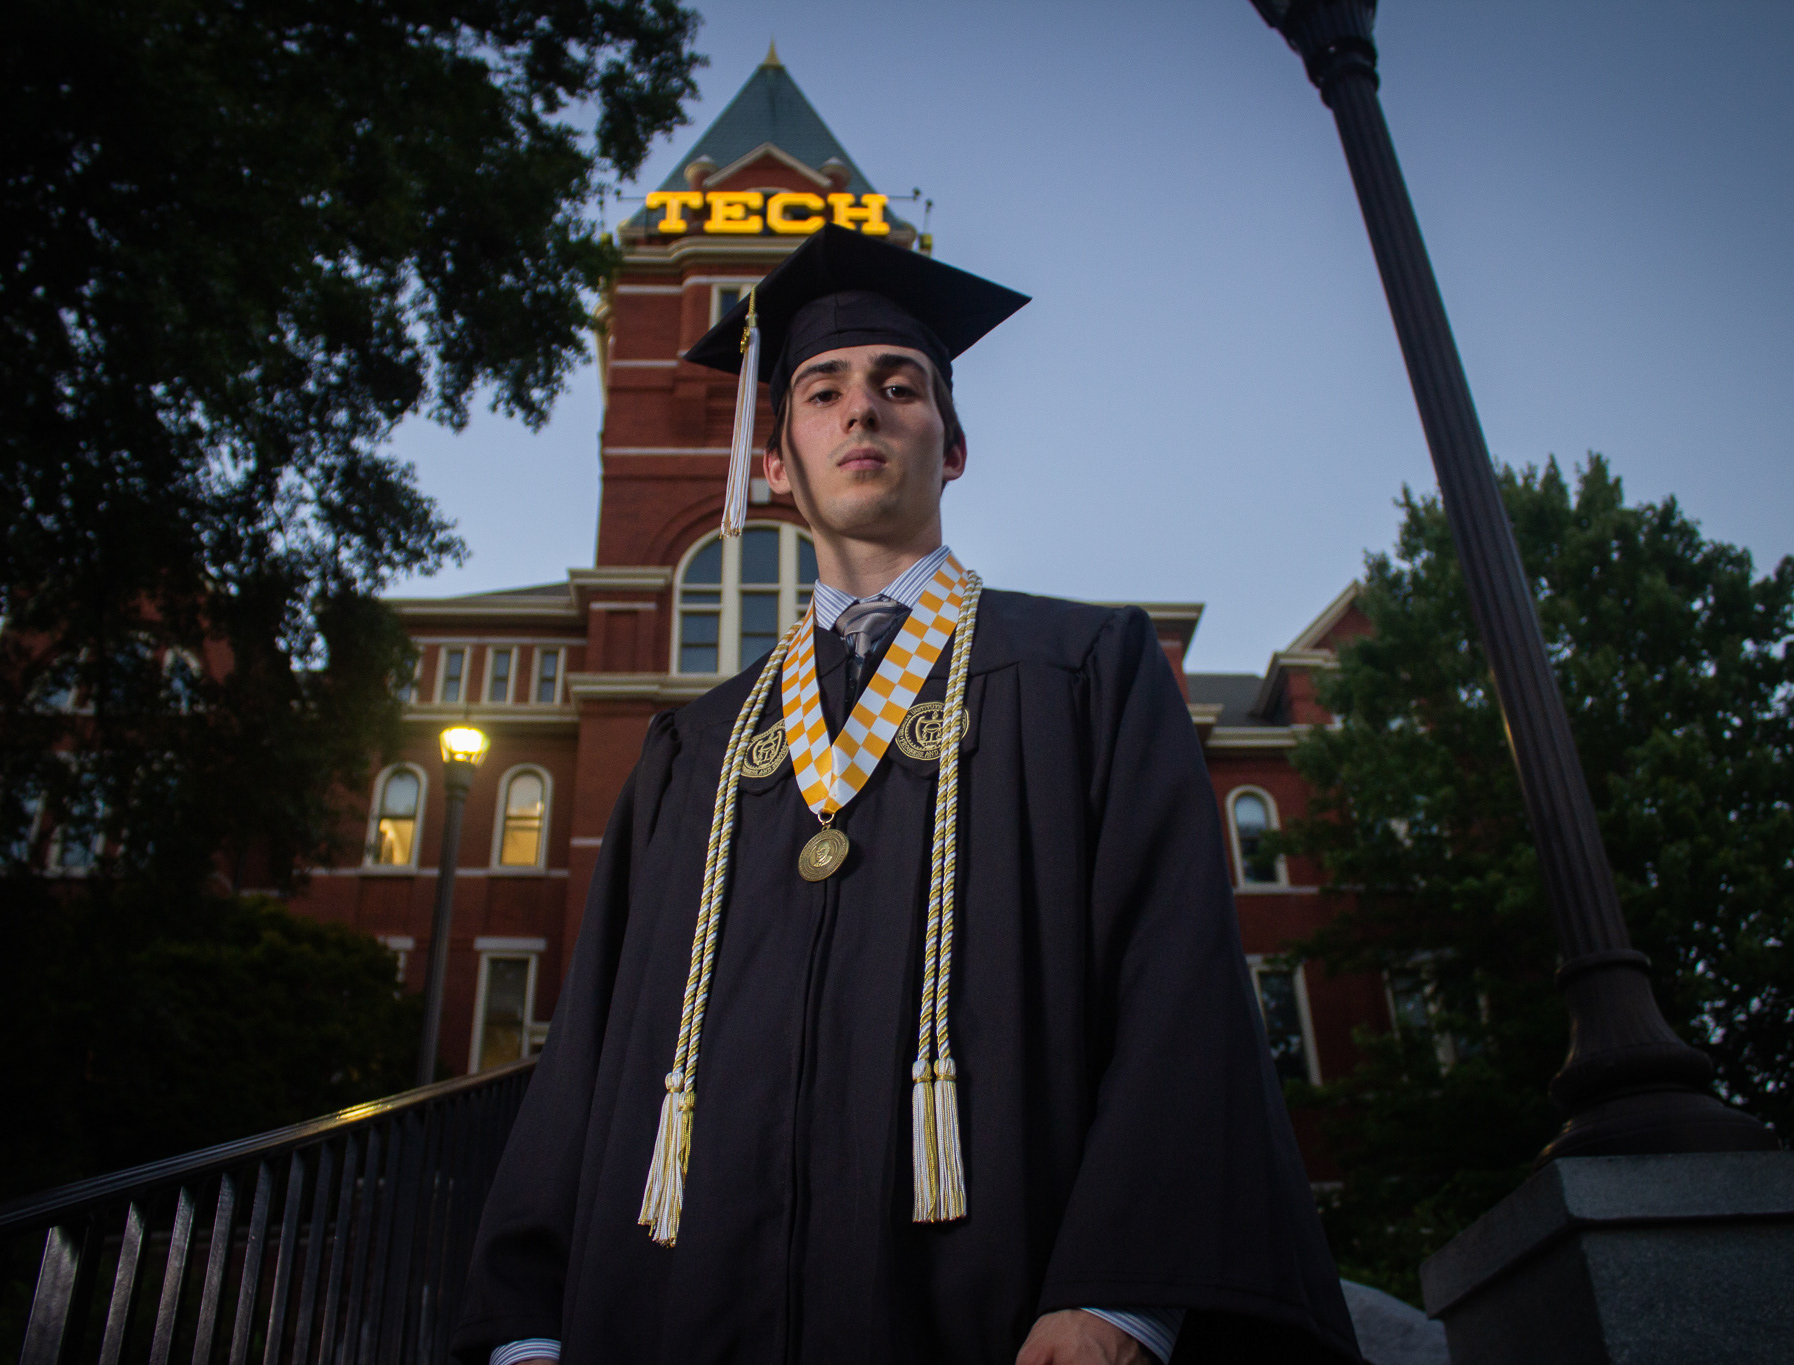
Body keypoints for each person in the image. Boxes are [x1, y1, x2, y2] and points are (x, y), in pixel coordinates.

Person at [452, 226, 1361, 1365]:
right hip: (685, 1312)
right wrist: (528, 1325)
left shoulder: (1082, 672)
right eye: (822, 391)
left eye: (900, 386)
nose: (862, 411)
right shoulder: (694, 747)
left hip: (1000, 1310)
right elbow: (591, 1043)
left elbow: (1174, 977)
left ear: (954, 445)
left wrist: (1124, 1292)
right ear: (774, 462)